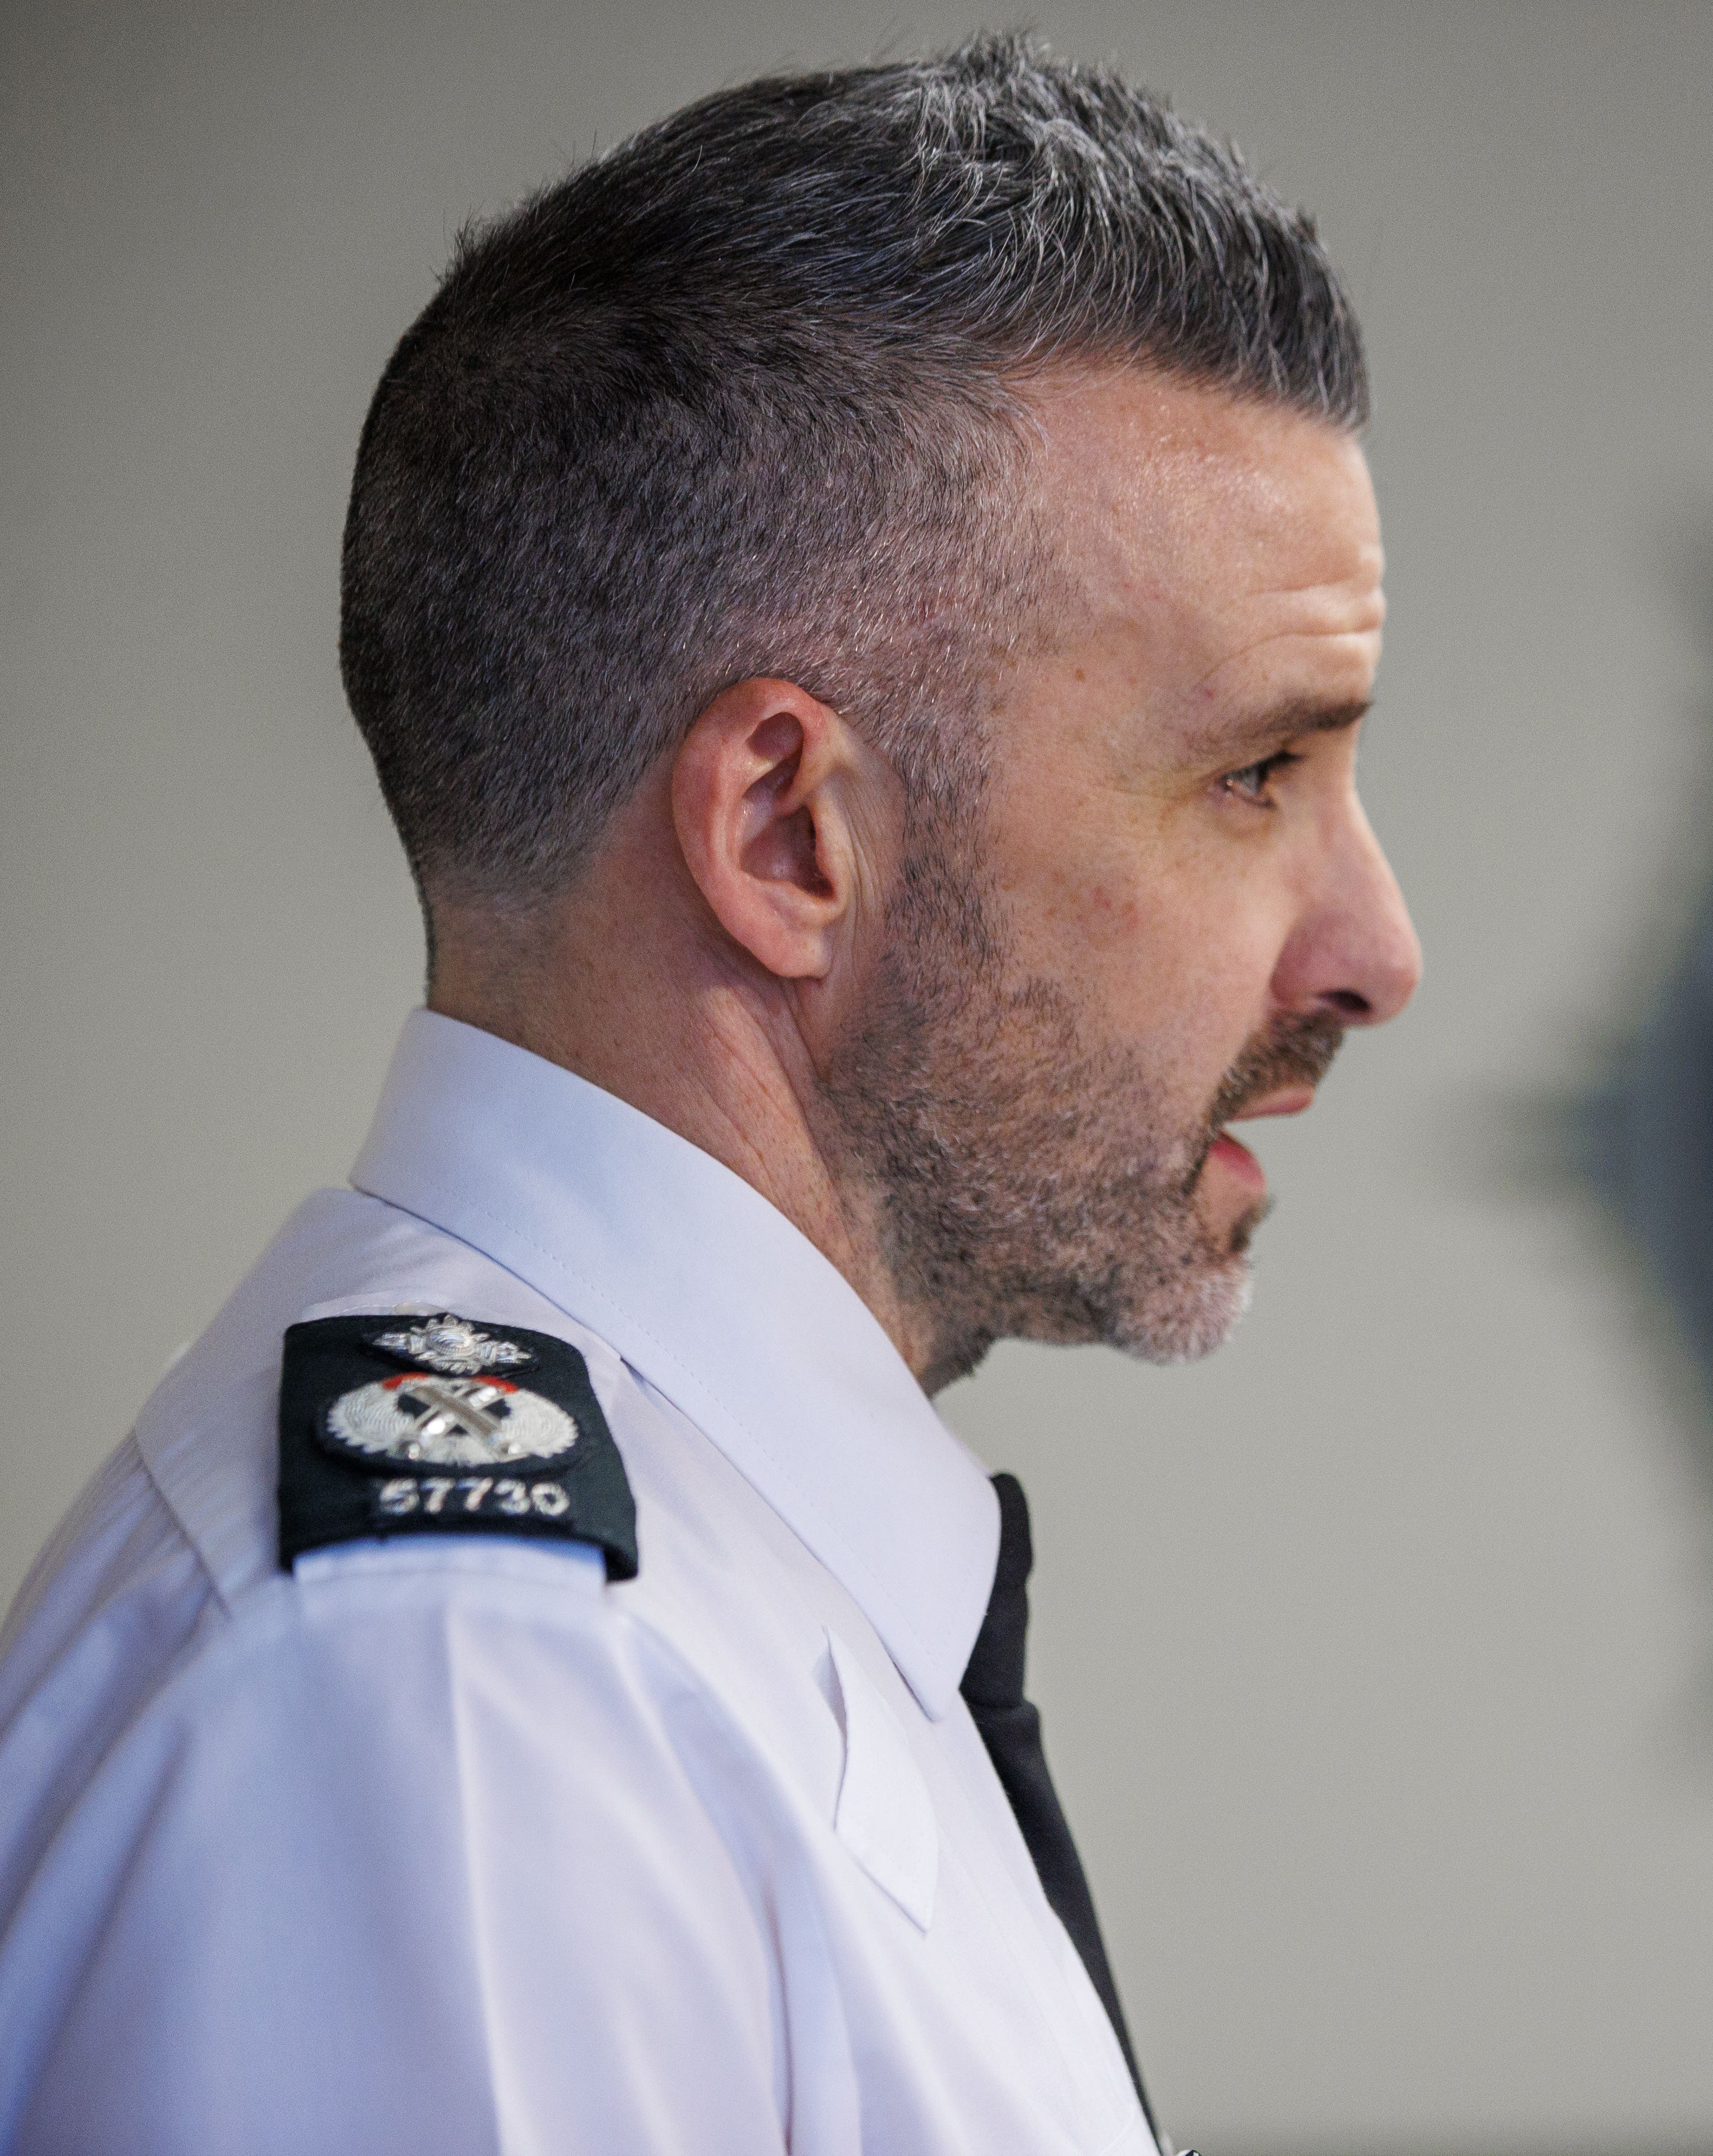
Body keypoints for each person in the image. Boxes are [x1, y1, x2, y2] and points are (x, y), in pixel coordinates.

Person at [0, 34, 1416, 2154]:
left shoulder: (664, 1635)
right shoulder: (465, 1715)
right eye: (1252, 778)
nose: (1376, 951)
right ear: (785, 837)